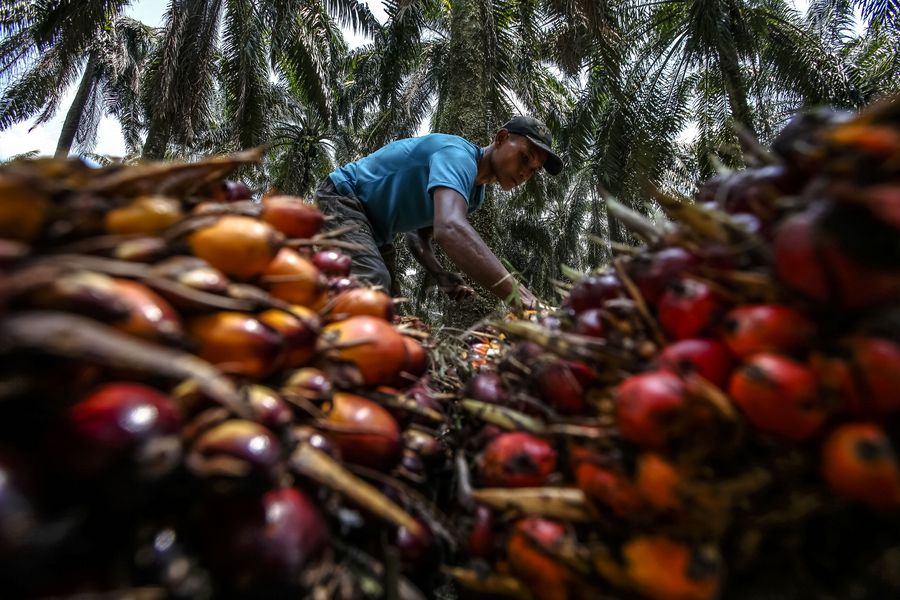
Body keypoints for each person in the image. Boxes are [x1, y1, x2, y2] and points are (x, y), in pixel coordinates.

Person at [313, 116, 563, 307]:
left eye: (533, 170)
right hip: (344, 198)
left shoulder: (474, 196)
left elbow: (417, 235)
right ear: (501, 138)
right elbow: (450, 228)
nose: (525, 173)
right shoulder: (458, 156)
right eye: (524, 158)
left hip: (375, 232)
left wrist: (439, 274)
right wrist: (521, 296)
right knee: (372, 284)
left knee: (389, 309)